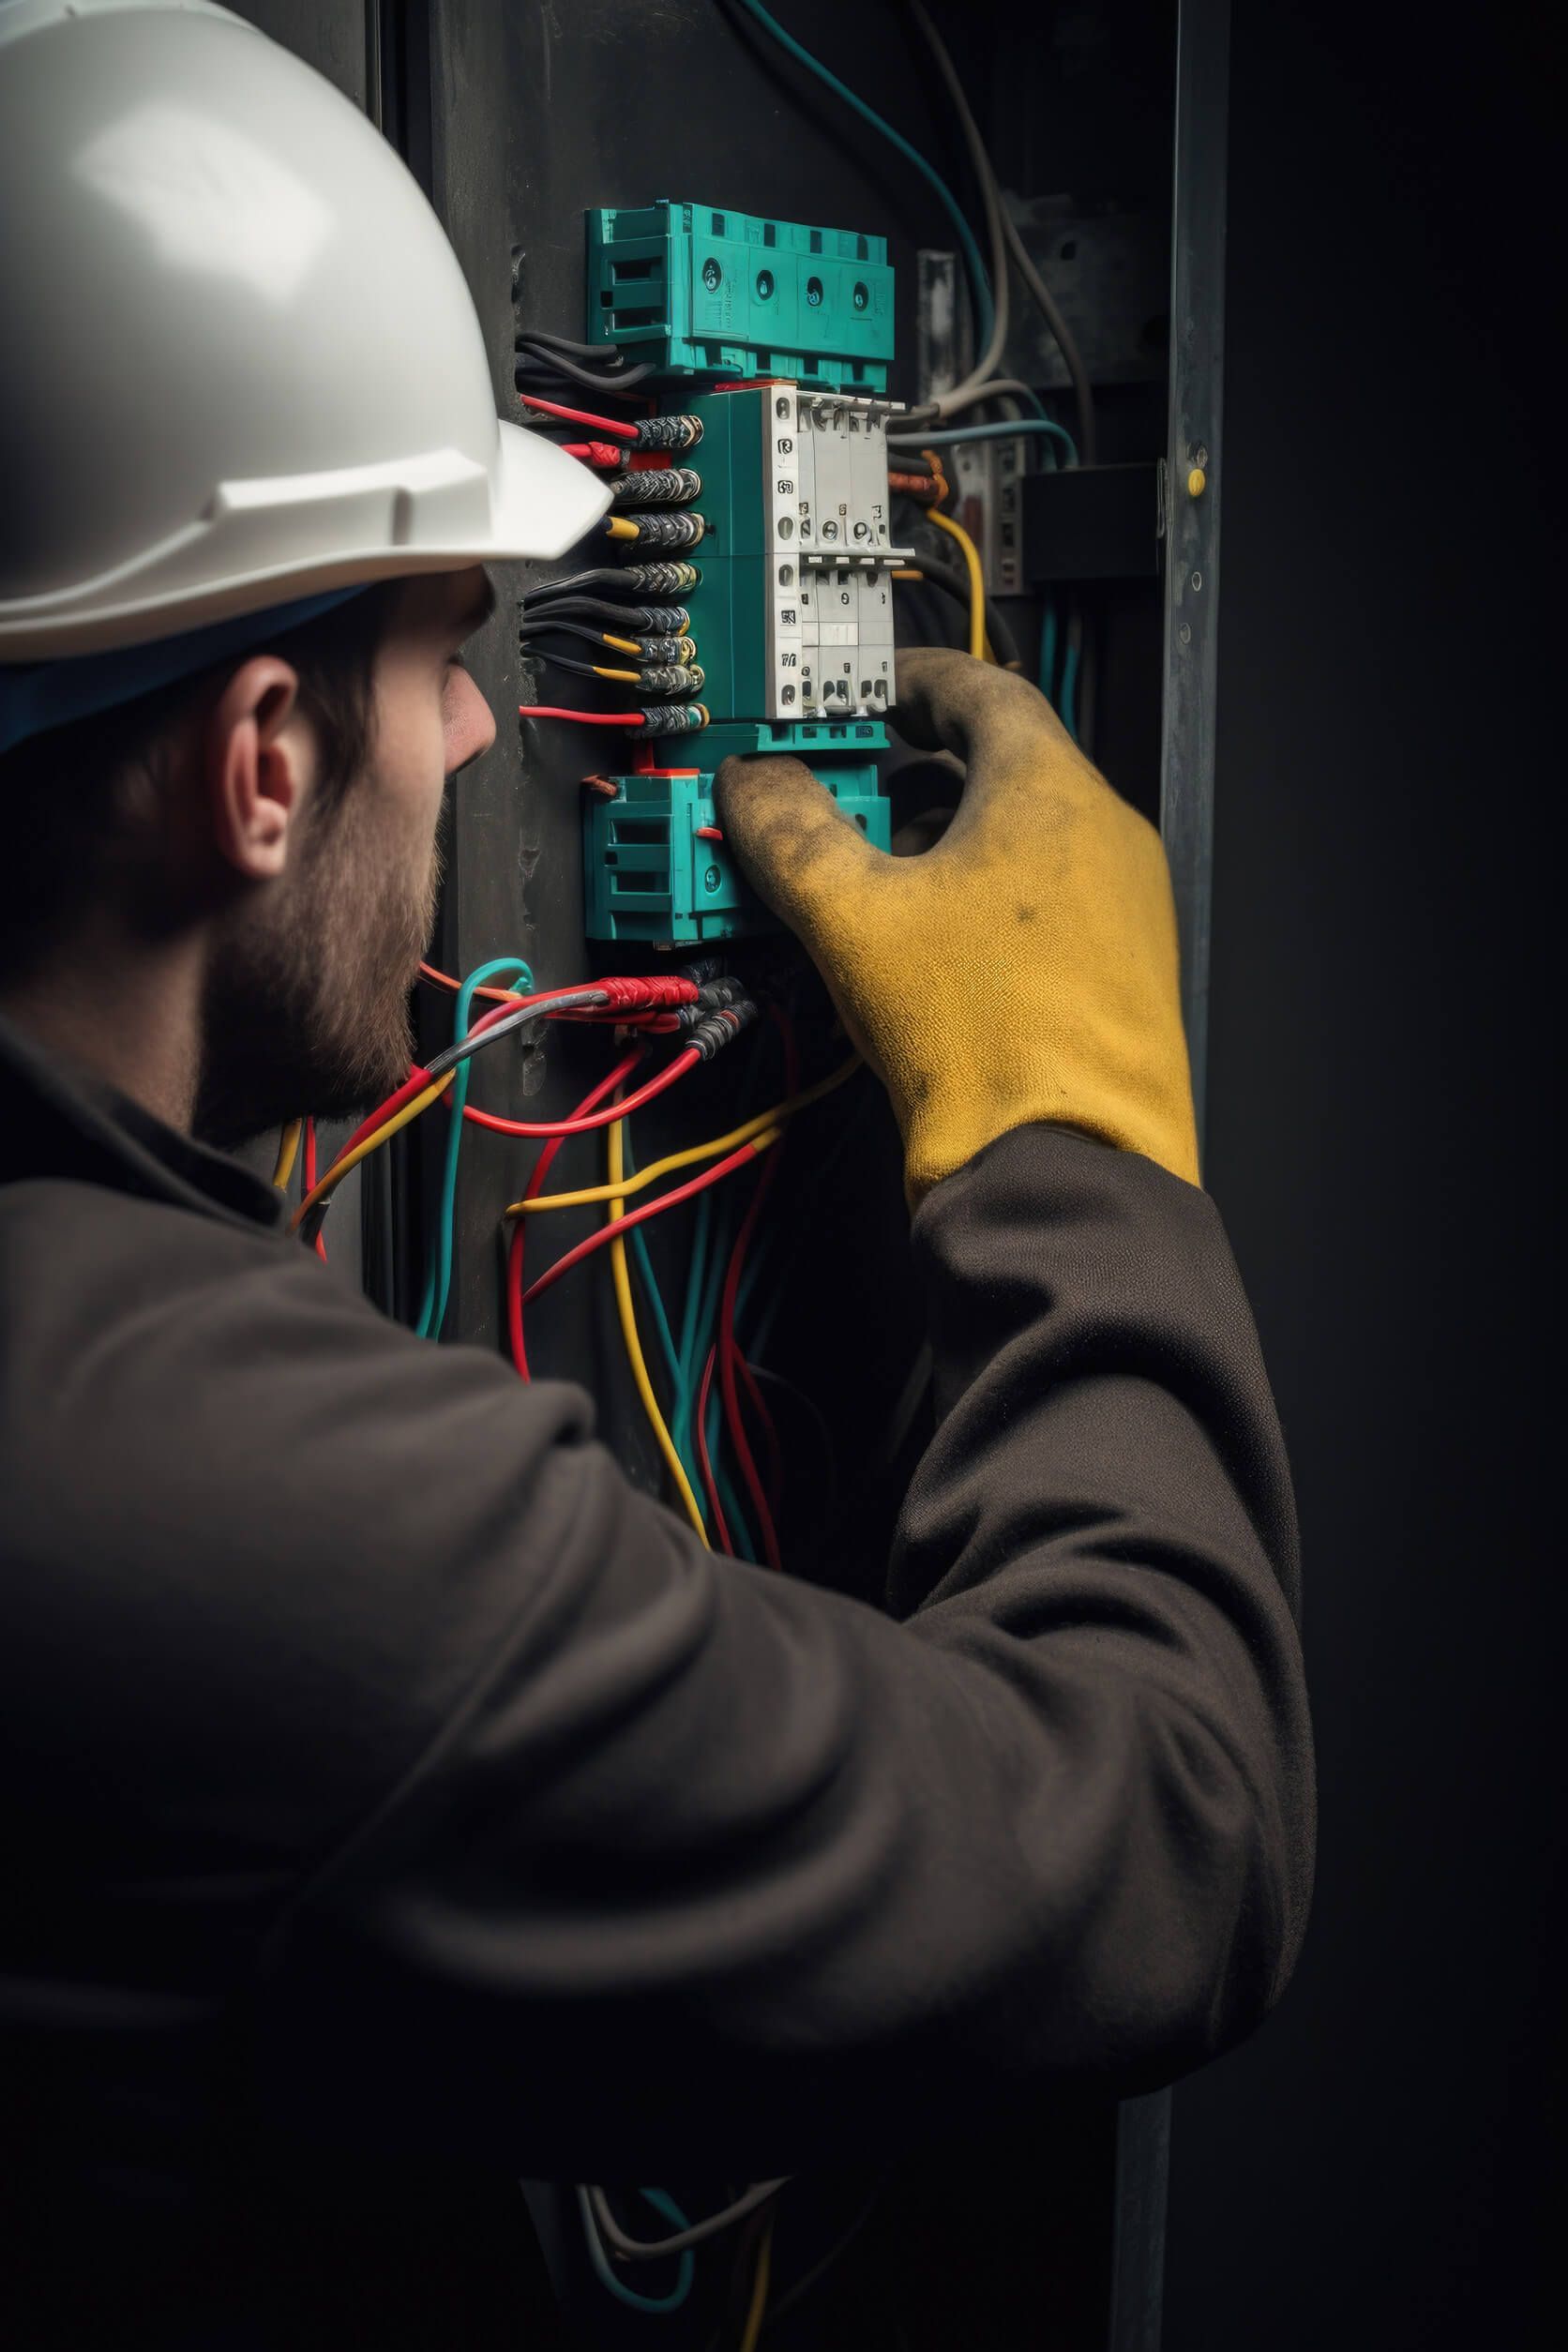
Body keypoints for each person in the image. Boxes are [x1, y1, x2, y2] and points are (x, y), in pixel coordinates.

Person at [0, 1, 1314, 2342]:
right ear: (264, 763)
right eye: (447, 655)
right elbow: (1161, 1824)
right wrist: (1071, 1122)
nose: (490, 729)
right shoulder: (264, 1521)